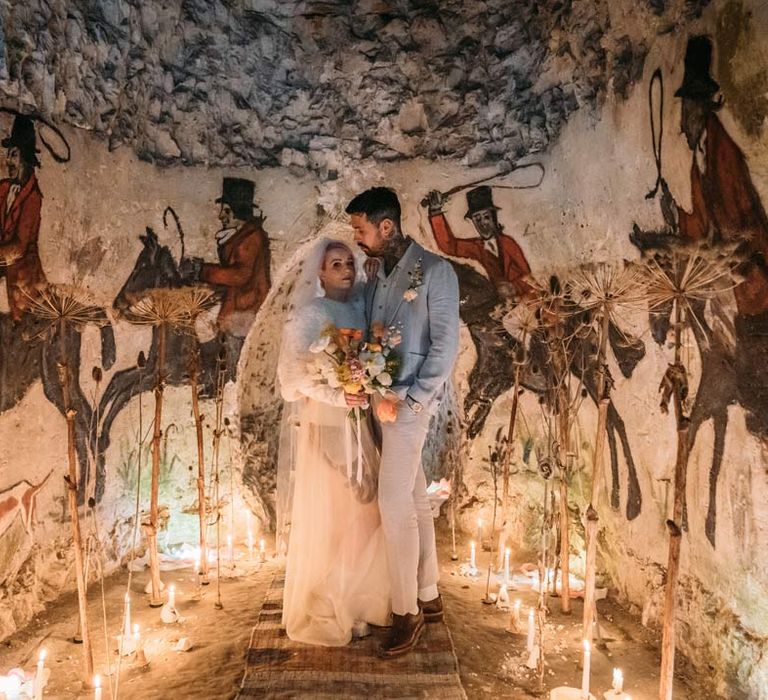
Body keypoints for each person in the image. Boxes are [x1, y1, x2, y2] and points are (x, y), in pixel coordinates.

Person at [346, 187, 460, 657]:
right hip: (380, 402)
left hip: (410, 406)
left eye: (361, 229)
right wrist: (358, 381)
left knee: (393, 506)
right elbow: (375, 339)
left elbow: (445, 347)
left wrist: (411, 402)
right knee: (412, 498)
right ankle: (428, 595)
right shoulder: (376, 276)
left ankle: (404, 613)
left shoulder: (437, 272)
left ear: (386, 226)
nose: (357, 238)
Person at [276, 238, 390, 646]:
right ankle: (329, 598)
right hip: (328, 425)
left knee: (360, 517)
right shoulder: (311, 313)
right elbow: (292, 382)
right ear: (320, 274)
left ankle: (347, 599)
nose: (345, 268)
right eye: (335, 264)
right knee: (358, 514)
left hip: (361, 423)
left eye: (349, 262)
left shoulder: (360, 306)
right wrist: (338, 395)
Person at [181, 177, 271, 372]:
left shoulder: (251, 237)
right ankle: (213, 373)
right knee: (203, 321)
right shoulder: (239, 234)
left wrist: (202, 270)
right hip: (237, 297)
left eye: (227, 210)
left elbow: (240, 275)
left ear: (239, 212)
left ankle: (214, 375)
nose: (221, 216)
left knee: (204, 323)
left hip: (247, 302)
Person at [426, 185, 532, 300]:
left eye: (486, 216)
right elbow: (449, 246)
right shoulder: (476, 247)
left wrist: (513, 288)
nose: (483, 223)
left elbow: (527, 276)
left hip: (524, 299)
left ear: (494, 218)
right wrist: (435, 212)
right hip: (497, 303)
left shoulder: (508, 243)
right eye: (477, 218)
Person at [0, 115, 47, 320]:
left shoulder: (33, 197)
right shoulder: (2, 188)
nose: (8, 160)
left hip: (23, 280)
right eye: (8, 155)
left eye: (14, 155)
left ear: (25, 158)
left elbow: (19, 247)